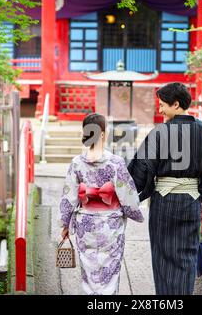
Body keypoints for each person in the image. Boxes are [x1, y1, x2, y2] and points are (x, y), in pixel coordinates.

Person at [127, 82, 202, 295]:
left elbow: (140, 171)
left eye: (163, 105)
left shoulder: (159, 133)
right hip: (191, 202)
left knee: (163, 257)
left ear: (176, 104)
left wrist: (123, 194)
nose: (160, 109)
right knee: (187, 258)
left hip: (163, 203)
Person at [59, 113, 144, 295]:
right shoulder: (116, 163)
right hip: (110, 225)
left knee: (89, 271)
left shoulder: (76, 163)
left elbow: (68, 197)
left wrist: (65, 223)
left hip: (85, 226)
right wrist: (134, 212)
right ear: (103, 134)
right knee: (110, 272)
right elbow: (128, 196)